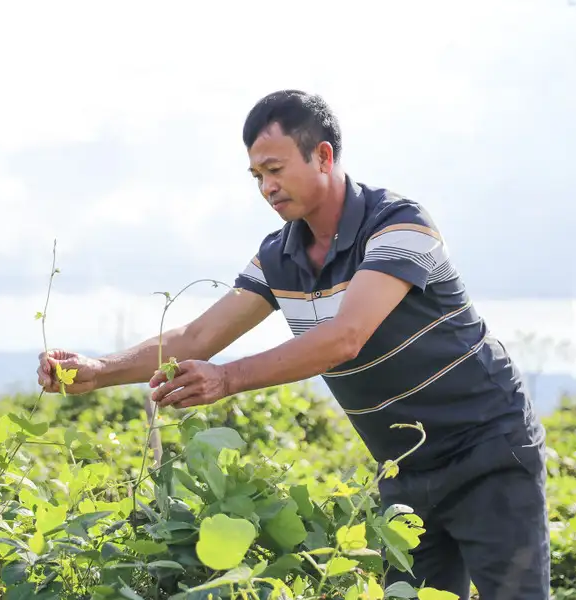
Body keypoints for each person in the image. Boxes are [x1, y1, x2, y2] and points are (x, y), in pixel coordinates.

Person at [36, 90, 550, 600]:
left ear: (323, 156)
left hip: (488, 453)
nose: (266, 187)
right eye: (257, 175)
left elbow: (345, 337)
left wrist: (228, 378)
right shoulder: (277, 257)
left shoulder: (398, 224)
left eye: (276, 169)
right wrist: (99, 370)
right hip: (403, 469)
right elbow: (196, 338)